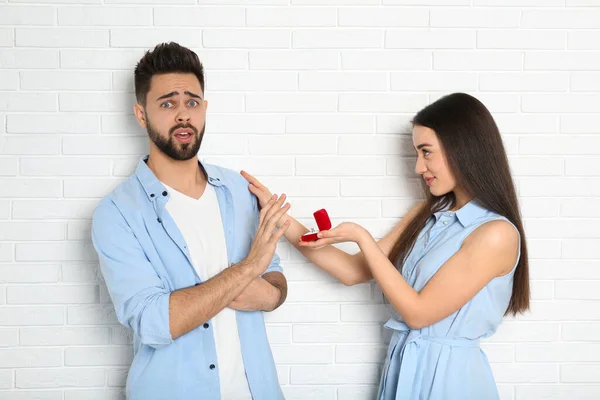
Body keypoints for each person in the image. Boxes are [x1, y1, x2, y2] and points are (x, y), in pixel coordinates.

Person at [242, 92, 530, 400]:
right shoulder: (425, 214)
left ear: (462, 150)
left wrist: (362, 237)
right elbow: (351, 271)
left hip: (451, 380)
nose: (419, 167)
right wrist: (276, 214)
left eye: (426, 152)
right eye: (417, 153)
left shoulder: (496, 234)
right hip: (403, 366)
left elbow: (419, 314)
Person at [91, 42, 290, 400]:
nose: (183, 115)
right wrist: (247, 270)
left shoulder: (238, 189)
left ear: (205, 109)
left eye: (192, 102)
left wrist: (270, 295)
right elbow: (154, 322)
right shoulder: (117, 214)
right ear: (141, 114)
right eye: (167, 103)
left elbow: (273, 272)